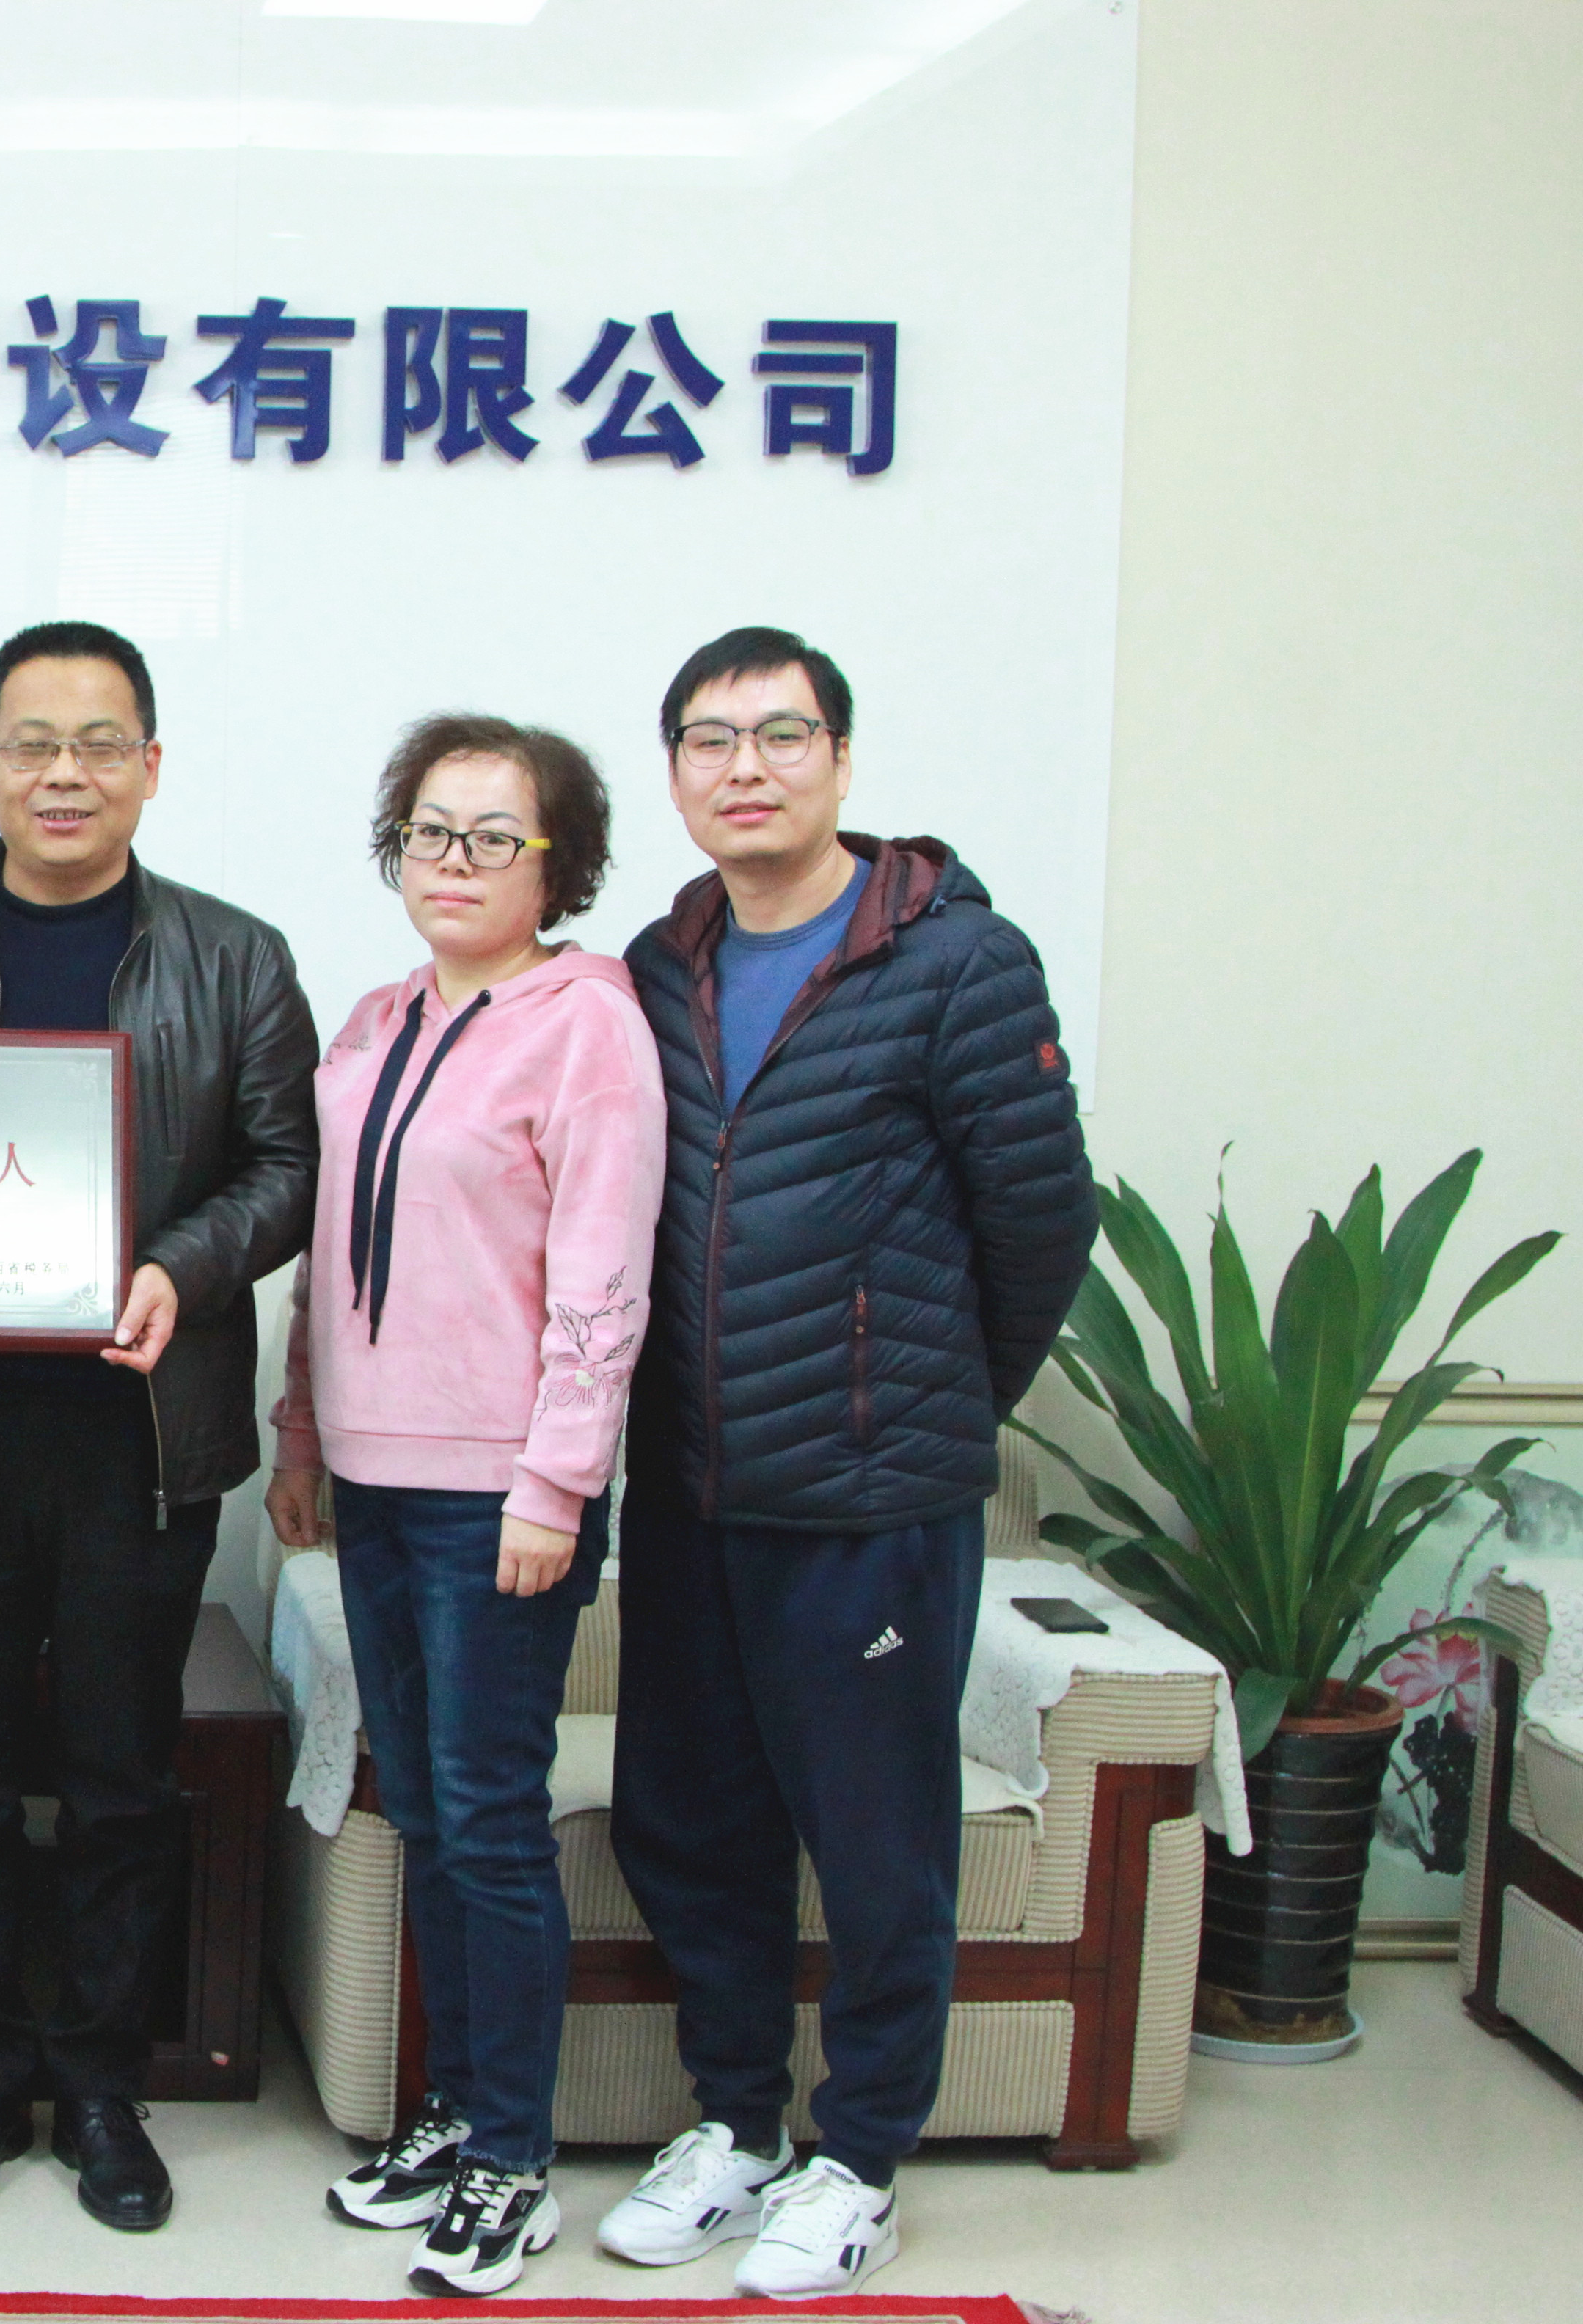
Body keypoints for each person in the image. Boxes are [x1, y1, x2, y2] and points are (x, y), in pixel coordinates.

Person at [596, 626, 1095, 2298]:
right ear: (676, 773)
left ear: (842, 758)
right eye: (709, 739)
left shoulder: (956, 961)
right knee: (692, 1824)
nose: (745, 767)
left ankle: (862, 2156)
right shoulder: (658, 966)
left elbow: (1041, 1225)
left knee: (878, 1850)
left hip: (874, 1503)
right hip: (690, 1490)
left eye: (781, 734)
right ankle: (736, 2126)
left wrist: (925, 1407)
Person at [0, 620, 318, 2232]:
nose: (66, 772)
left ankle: (103, 2082)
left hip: (142, 1433)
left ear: (151, 767)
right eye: (34, 742)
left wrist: (181, 1265)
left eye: (100, 742)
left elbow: (289, 1169)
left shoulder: (235, 956)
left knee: (122, 1774)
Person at [265, 715, 664, 2296]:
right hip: (372, 1482)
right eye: (431, 831)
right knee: (425, 1813)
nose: (456, 861)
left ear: (559, 864)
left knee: (493, 1823)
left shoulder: (590, 1027)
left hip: (500, 1500)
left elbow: (603, 1280)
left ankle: (515, 2156)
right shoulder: (375, 1020)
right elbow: (327, 1254)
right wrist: (302, 1430)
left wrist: (557, 1480)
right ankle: (453, 2110)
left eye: (497, 837)